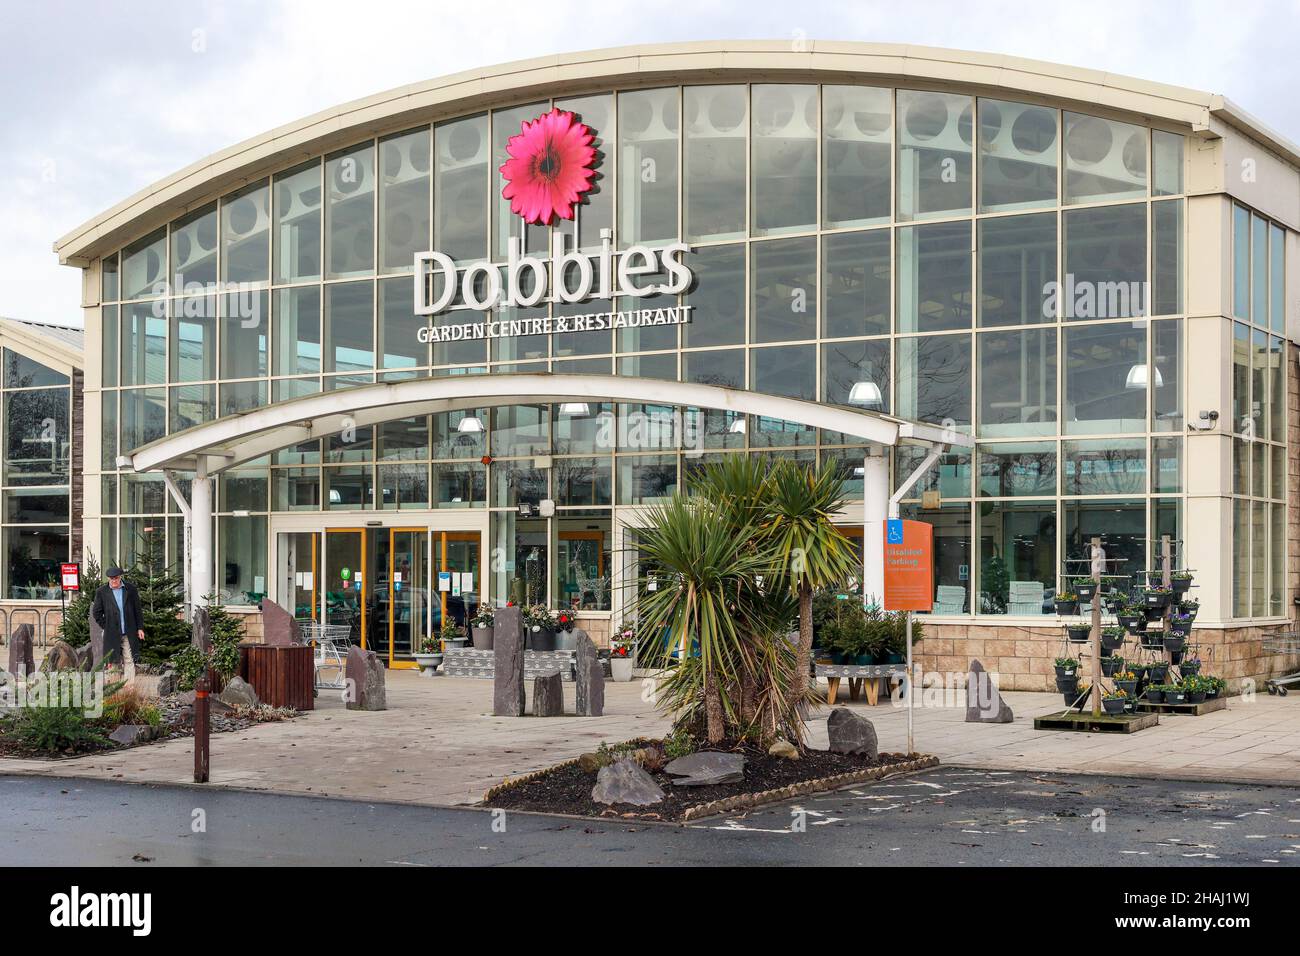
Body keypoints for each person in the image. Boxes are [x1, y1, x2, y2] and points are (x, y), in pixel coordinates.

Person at [92, 566, 144, 681]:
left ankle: (129, 689)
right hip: (111, 633)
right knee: (113, 661)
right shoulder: (102, 592)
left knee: (129, 659)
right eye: (111, 579)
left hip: (128, 631)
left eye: (115, 578)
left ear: (120, 577)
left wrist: (140, 628)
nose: (113, 581)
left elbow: (138, 610)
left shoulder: (130, 589)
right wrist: (105, 625)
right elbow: (96, 612)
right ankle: (114, 690)